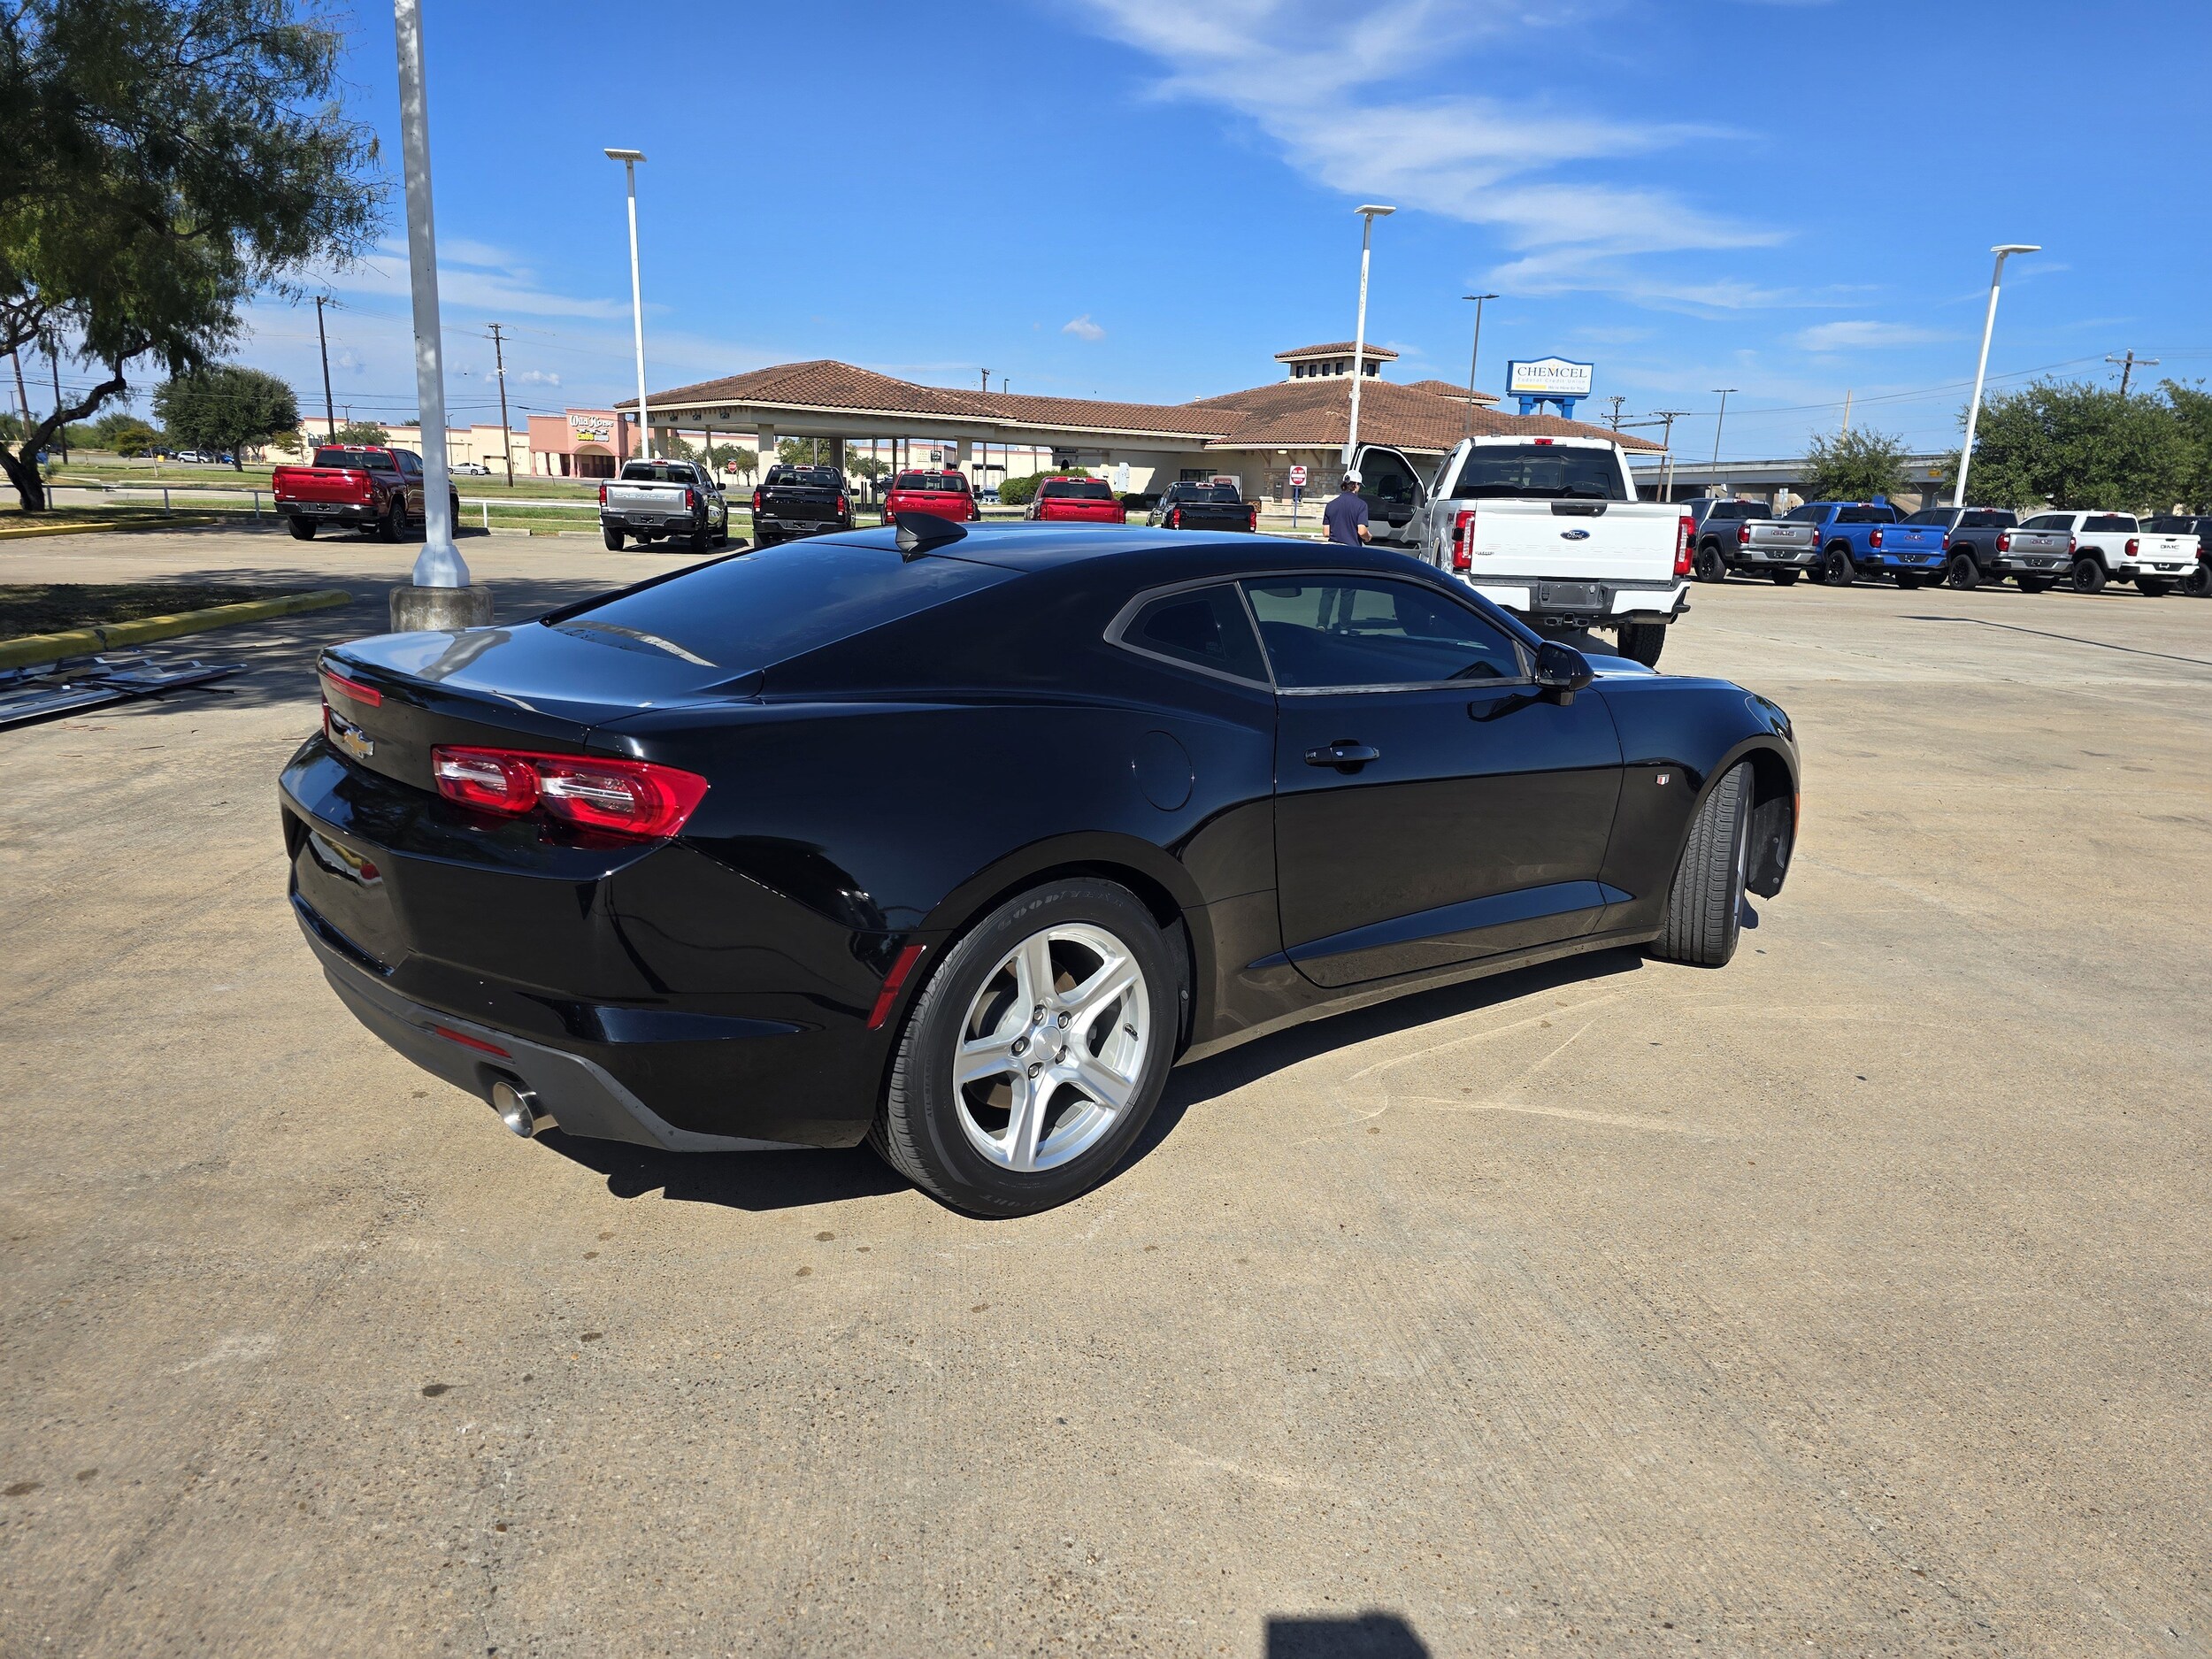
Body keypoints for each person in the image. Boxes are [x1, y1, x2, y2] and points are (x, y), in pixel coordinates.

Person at [1322, 471, 1370, 546]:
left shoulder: (1330, 505)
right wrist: (1368, 537)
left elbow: (1326, 533)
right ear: (1356, 485)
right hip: (1351, 549)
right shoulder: (1361, 505)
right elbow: (1362, 532)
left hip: (1333, 548)